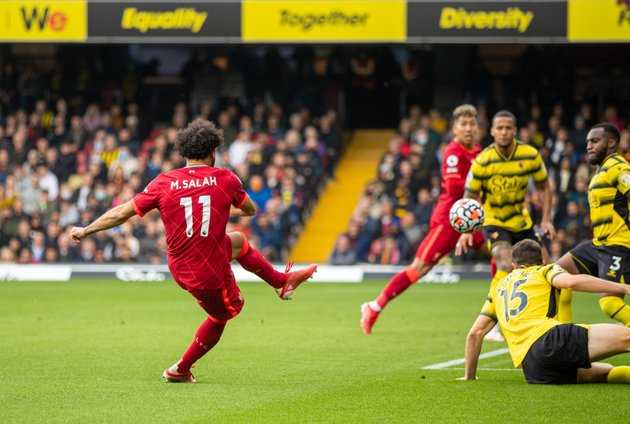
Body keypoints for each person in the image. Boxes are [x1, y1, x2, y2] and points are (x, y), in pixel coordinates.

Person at [70, 119, 317, 383]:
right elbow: (250, 210)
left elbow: (121, 213)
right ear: (213, 152)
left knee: (238, 242)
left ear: (184, 152)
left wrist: (86, 230)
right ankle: (179, 370)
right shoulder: (225, 178)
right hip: (206, 271)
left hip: (181, 265)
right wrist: (219, 206)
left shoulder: (164, 182)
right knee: (226, 312)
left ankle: (282, 282)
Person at [462, 239, 630, 390]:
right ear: (541, 260)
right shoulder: (545, 270)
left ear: (513, 264)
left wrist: (469, 376)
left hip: (533, 368)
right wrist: (626, 288)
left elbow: (475, 333)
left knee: (601, 372)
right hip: (550, 339)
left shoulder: (498, 287)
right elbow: (573, 282)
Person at [554, 123, 630, 365]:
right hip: (599, 244)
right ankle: (564, 337)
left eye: (595, 141)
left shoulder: (618, 167)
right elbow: (627, 209)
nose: (588, 145)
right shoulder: (600, 171)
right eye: (588, 141)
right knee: (556, 274)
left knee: (610, 303)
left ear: (611, 143)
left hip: (620, 247)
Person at [360, 104, 485, 334]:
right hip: (449, 221)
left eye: (472, 123)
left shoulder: (478, 152)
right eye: (463, 124)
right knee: (419, 268)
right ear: (454, 128)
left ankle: (498, 318)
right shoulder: (453, 152)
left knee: (501, 252)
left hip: (475, 219)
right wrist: (484, 177)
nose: (468, 128)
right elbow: (457, 184)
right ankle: (374, 306)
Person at [456, 110, 556, 342]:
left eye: (508, 128)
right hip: (494, 221)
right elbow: (469, 195)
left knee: (547, 265)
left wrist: (546, 219)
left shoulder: (529, 155)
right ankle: (495, 322)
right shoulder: (483, 160)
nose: (503, 132)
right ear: (491, 131)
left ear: (515, 130)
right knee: (503, 259)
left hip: (522, 221)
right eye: (499, 128)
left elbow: (545, 187)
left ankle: (549, 319)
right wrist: (466, 231)